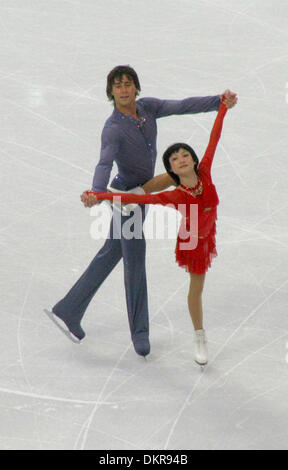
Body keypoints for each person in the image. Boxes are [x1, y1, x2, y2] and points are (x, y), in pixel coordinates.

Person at [47, 64, 237, 358]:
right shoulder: (112, 129)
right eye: (117, 86)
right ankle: (140, 333)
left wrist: (217, 102)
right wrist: (98, 194)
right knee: (135, 260)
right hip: (126, 198)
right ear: (110, 92)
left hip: (144, 191)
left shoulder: (148, 108)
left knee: (111, 252)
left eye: (128, 84)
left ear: (136, 87)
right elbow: (104, 163)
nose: (123, 90)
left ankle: (69, 309)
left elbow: (182, 106)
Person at [83, 98, 229, 366]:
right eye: (175, 158)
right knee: (196, 289)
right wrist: (99, 194)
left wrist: (222, 106)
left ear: (194, 160)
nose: (181, 159)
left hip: (210, 233)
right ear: (170, 169)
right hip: (193, 240)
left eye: (185, 155)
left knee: (198, 285)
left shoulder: (205, 171)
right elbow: (141, 200)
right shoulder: (175, 195)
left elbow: (214, 137)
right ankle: (200, 336)